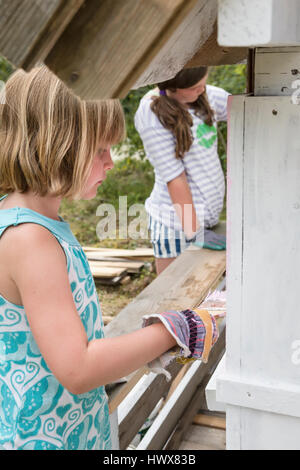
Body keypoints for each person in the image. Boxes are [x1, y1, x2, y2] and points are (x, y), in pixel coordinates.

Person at [0, 65, 218, 450]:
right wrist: (173, 331)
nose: (111, 161)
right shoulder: (30, 240)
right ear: (58, 144)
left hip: (74, 430)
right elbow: (79, 368)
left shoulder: (38, 224)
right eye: (100, 148)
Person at [134, 67, 229, 275]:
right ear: (172, 88)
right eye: (195, 87)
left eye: (204, 83)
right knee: (172, 296)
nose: (202, 89)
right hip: (176, 226)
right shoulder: (151, 114)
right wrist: (194, 232)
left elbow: (245, 110)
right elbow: (174, 177)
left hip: (206, 222)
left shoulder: (206, 95)